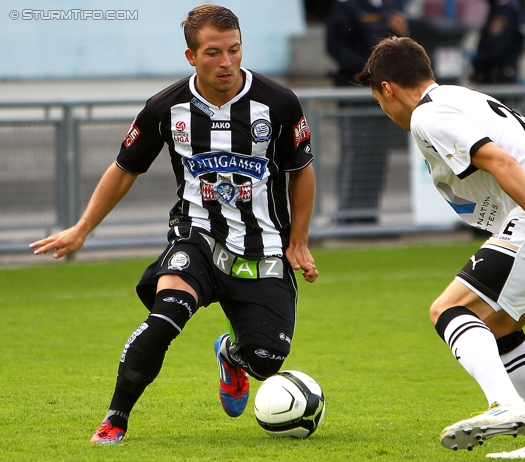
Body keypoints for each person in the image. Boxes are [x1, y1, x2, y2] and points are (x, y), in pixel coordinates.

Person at [30, 4, 318, 444]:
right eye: (213, 53)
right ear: (191, 57)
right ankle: (115, 420)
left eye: (234, 50)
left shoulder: (278, 102)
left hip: (264, 247)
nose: (226, 62)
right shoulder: (166, 107)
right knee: (164, 318)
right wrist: (82, 228)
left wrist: (298, 241)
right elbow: (124, 168)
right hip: (195, 237)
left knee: (267, 359)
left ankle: (234, 358)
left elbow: (302, 169)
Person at [355, 36, 525, 459]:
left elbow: (502, 163)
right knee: (500, 326)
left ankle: (505, 405)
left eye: (380, 99)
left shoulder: (427, 116)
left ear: (387, 88)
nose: (386, 111)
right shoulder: (457, 95)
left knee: (447, 310)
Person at [325, 0, 409, 224]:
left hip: (383, 94)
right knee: (355, 152)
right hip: (357, 93)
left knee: (376, 155)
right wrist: (369, 71)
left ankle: (369, 214)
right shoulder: (347, 7)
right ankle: (348, 216)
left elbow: (397, 49)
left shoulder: (388, 7)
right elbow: (335, 46)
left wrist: (403, 34)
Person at [471, 0, 525, 84]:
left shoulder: (505, 11)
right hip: (503, 70)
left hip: (497, 73)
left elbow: (496, 46)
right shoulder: (510, 8)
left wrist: (479, 66)